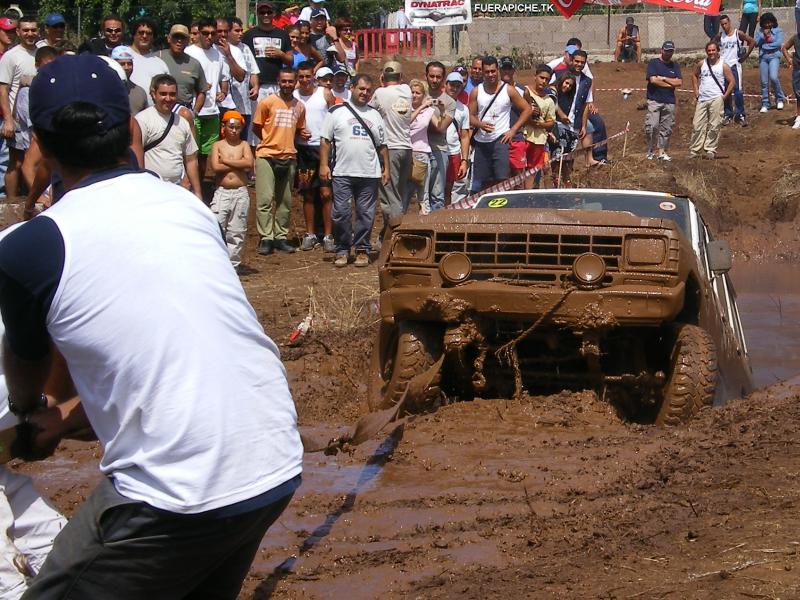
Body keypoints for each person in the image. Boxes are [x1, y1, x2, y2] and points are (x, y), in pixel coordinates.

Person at [2, 53, 302, 598]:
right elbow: (154, 360)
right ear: (132, 130)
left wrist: (33, 417)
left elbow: (33, 384)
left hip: (177, 491)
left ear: (39, 146)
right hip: (272, 458)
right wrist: (66, 416)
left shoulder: (33, 248)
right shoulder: (188, 210)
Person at [319, 73, 389, 268]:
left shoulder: (375, 115)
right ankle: (342, 248)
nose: (365, 93)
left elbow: (383, 145)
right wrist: (324, 165)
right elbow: (325, 141)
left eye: (368, 90)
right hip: (342, 171)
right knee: (340, 212)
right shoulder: (336, 112)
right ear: (352, 88)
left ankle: (362, 249)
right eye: (361, 89)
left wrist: (386, 168)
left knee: (365, 213)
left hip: (368, 172)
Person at [252, 67, 310, 255]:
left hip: (289, 156)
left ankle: (280, 236)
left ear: (296, 83)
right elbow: (257, 127)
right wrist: (271, 141)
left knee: (285, 200)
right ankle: (266, 237)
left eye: (290, 81)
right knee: (265, 200)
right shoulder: (267, 102)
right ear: (279, 81)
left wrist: (302, 133)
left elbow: (299, 128)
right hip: (267, 155)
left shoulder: (299, 106)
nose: (287, 85)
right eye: (284, 81)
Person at [468, 56, 532, 192]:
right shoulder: (476, 91)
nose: (490, 75)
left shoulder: (508, 90)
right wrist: (479, 124)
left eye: (493, 71)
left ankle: (503, 211)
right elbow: (470, 116)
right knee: (483, 183)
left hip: (500, 141)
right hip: (482, 143)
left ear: (497, 71)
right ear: (482, 72)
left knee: (502, 180)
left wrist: (513, 130)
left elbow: (527, 109)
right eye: (487, 72)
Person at [135, 74, 203, 198]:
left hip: (176, 188)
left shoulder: (182, 122)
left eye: (172, 94)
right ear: (153, 94)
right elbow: (135, 156)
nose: (168, 98)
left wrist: (197, 192)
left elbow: (191, 159)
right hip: (150, 189)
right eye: (163, 94)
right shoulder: (142, 120)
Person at [294, 61, 335, 251]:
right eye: (301, 77)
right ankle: (310, 234)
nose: (304, 80)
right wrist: (297, 132)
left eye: (307, 76)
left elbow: (335, 115)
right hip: (304, 151)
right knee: (308, 194)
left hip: (323, 148)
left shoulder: (324, 93)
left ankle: (328, 235)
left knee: (326, 193)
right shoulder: (293, 96)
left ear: (314, 77)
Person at [370, 60, 413, 234]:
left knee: (390, 194)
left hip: (390, 149)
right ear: (401, 76)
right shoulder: (407, 91)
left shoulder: (380, 93)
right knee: (397, 193)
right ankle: (388, 232)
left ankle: (398, 231)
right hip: (406, 148)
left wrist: (381, 85)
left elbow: (370, 108)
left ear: (383, 77)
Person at [186, 18, 230, 183]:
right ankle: (189, 187)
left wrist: (223, 92)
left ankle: (201, 187)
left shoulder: (218, 54)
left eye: (213, 33)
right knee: (191, 153)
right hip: (194, 109)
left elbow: (224, 77)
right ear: (198, 33)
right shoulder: (189, 52)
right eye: (205, 33)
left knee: (206, 154)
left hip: (212, 110)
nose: (209, 36)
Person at [210, 110, 254, 271]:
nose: (234, 130)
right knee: (217, 227)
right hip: (222, 192)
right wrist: (238, 162)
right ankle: (216, 263)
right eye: (231, 127)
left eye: (237, 127)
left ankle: (233, 266)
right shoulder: (217, 145)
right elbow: (216, 166)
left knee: (237, 230)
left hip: (240, 192)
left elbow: (249, 164)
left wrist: (227, 160)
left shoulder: (244, 145)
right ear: (224, 127)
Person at [0, 15, 37, 197]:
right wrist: (8, 120)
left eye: (33, 30)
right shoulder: (11, 56)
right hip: (17, 118)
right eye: (26, 30)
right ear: (18, 32)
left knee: (36, 160)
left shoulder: (41, 52)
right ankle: (11, 202)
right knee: (15, 161)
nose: (30, 33)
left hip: (36, 116)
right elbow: (3, 89)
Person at [242, 0, 292, 115]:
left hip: (277, 85)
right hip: (257, 86)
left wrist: (281, 54)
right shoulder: (249, 35)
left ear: (274, 14)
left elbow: (290, 60)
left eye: (269, 12)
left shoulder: (282, 34)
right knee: (257, 122)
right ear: (257, 14)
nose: (265, 15)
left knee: (276, 119)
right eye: (262, 12)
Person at [690, 40, 734, 159]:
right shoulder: (701, 64)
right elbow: (694, 75)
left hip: (716, 98)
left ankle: (710, 149)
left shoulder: (723, 65)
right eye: (709, 51)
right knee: (697, 125)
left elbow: (732, 81)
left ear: (718, 51)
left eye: (713, 50)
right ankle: (695, 150)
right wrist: (696, 90)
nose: (711, 53)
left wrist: (724, 96)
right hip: (703, 98)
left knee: (714, 125)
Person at [424, 61, 456, 209]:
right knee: (419, 195)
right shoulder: (418, 96)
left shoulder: (449, 102)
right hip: (418, 149)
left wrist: (439, 112)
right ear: (426, 76)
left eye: (438, 77)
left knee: (437, 195)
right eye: (431, 76)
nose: (435, 80)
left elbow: (441, 128)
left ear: (443, 79)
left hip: (438, 149)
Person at [157, 24, 207, 116]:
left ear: (187, 41)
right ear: (169, 38)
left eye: (183, 38)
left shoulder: (194, 63)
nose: (179, 41)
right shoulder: (157, 58)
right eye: (176, 37)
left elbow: (202, 91)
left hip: (184, 113)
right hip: (159, 111)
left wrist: (194, 112)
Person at [645, 41, 683, 161]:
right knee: (652, 126)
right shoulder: (654, 63)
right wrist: (670, 83)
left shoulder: (675, 66)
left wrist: (664, 79)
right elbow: (653, 80)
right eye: (666, 50)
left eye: (671, 51)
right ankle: (650, 151)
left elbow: (679, 82)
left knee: (666, 128)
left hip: (669, 101)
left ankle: (662, 152)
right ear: (662, 50)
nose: (668, 53)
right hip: (654, 100)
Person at [406, 79, 437, 213]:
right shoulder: (404, 109)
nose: (414, 95)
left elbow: (440, 126)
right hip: (406, 154)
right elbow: (406, 122)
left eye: (418, 93)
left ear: (423, 95)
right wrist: (421, 107)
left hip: (422, 154)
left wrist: (443, 109)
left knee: (423, 196)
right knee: (403, 195)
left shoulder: (429, 111)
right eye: (412, 92)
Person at [228, 17, 261, 142]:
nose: (240, 33)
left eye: (241, 30)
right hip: (230, 104)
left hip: (245, 104)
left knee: (243, 139)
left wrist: (256, 86)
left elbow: (253, 72)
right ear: (228, 32)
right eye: (236, 30)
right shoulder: (223, 49)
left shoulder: (245, 48)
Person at [523, 64, 556, 188]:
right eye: (541, 77)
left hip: (539, 140)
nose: (544, 81)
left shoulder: (549, 100)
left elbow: (551, 121)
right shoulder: (524, 91)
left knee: (533, 170)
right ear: (535, 76)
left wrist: (539, 124)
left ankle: (528, 195)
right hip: (523, 135)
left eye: (547, 79)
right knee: (519, 168)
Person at [499, 56, 530, 187]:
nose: (506, 71)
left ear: (513, 70)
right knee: (500, 175)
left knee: (518, 174)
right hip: (499, 137)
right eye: (504, 68)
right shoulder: (492, 89)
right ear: (499, 70)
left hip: (516, 137)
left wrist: (517, 130)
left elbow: (528, 112)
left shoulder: (523, 91)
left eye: (509, 68)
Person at [717, 14, 754, 126]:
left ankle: (741, 114)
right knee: (725, 90)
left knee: (737, 91)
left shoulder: (738, 34)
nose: (724, 26)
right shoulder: (720, 36)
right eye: (722, 24)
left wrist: (745, 56)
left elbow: (752, 42)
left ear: (729, 22)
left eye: (725, 23)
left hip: (734, 65)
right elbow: (712, 44)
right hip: (723, 66)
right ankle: (728, 114)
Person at [128, 17, 169, 105]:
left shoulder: (160, 63)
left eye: (149, 33)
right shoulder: (124, 56)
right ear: (134, 35)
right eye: (141, 32)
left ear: (153, 37)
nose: (144, 36)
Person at [444, 71, 470, 204]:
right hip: (437, 151)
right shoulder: (436, 102)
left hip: (453, 153)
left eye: (457, 86)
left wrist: (464, 160)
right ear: (446, 84)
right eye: (452, 85)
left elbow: (465, 136)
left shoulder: (463, 109)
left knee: (449, 189)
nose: (454, 88)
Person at [550, 73, 580, 188]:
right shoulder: (553, 90)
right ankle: (555, 181)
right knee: (557, 158)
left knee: (568, 159)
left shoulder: (569, 96)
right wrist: (561, 114)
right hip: (556, 128)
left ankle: (567, 181)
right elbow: (554, 103)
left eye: (570, 85)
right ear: (561, 80)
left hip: (569, 130)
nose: (567, 87)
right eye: (566, 83)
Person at [754, 12, 786, 112]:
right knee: (764, 82)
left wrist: (765, 45)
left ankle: (780, 99)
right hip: (763, 57)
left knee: (773, 77)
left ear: (773, 22)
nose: (768, 25)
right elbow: (756, 44)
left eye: (770, 23)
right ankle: (765, 103)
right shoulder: (759, 32)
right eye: (765, 23)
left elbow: (778, 43)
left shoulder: (778, 31)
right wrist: (764, 36)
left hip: (774, 57)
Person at [111, 46, 148, 115]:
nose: (126, 67)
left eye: (129, 64)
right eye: (122, 64)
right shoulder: (104, 89)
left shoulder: (140, 92)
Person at [781, 32, 800, 127]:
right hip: (798, 68)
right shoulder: (795, 38)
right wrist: (789, 59)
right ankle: (799, 116)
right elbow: (784, 48)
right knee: (798, 93)